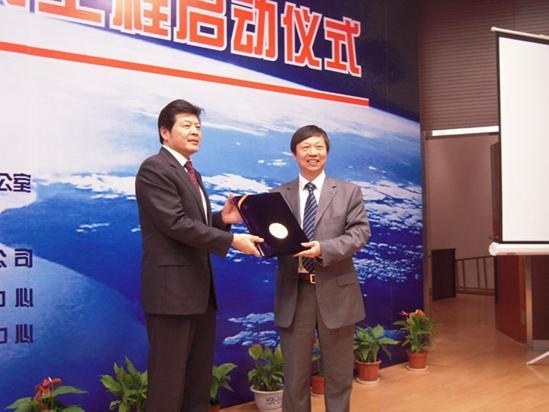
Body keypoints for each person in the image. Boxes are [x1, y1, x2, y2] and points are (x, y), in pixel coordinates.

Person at [134, 99, 263, 411]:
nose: (195, 132)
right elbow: (175, 224)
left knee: (198, 380)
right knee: (168, 384)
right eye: (186, 125)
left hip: (199, 293)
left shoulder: (192, 173)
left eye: (198, 126)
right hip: (171, 295)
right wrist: (232, 240)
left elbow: (194, 223)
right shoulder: (155, 168)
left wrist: (222, 219)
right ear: (165, 132)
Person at [272, 124, 371, 412]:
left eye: (319, 147)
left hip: (337, 293)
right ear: (294, 154)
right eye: (306, 147)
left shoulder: (349, 192)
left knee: (339, 377)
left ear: (327, 151)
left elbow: (360, 233)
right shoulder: (278, 195)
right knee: (294, 378)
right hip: (295, 293)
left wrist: (323, 249)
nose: (313, 152)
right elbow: (272, 237)